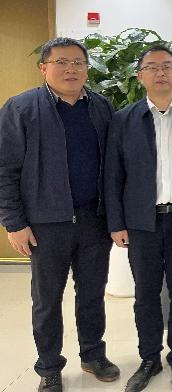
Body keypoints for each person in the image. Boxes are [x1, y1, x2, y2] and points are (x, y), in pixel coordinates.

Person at [0, 37, 118, 392]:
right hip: (45, 224)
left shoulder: (101, 107)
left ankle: (93, 355)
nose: (71, 69)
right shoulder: (21, 108)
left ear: (87, 69)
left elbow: (113, 166)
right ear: (44, 68)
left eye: (78, 63)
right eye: (61, 62)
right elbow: (5, 169)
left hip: (94, 220)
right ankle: (49, 366)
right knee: (47, 300)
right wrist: (14, 222)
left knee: (92, 294)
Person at [105, 45, 172, 392]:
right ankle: (149, 358)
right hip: (141, 224)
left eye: (167, 66)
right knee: (146, 295)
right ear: (140, 76)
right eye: (152, 67)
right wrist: (116, 223)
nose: (161, 72)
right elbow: (113, 175)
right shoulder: (123, 119)